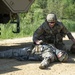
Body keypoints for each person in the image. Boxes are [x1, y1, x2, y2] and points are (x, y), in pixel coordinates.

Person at [0, 44, 68, 69]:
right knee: (11, 52)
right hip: (30, 49)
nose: (60, 54)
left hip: (28, 53)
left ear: (59, 58)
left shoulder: (51, 55)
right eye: (62, 53)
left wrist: (43, 65)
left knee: (11, 53)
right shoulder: (54, 49)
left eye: (61, 56)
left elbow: (47, 59)